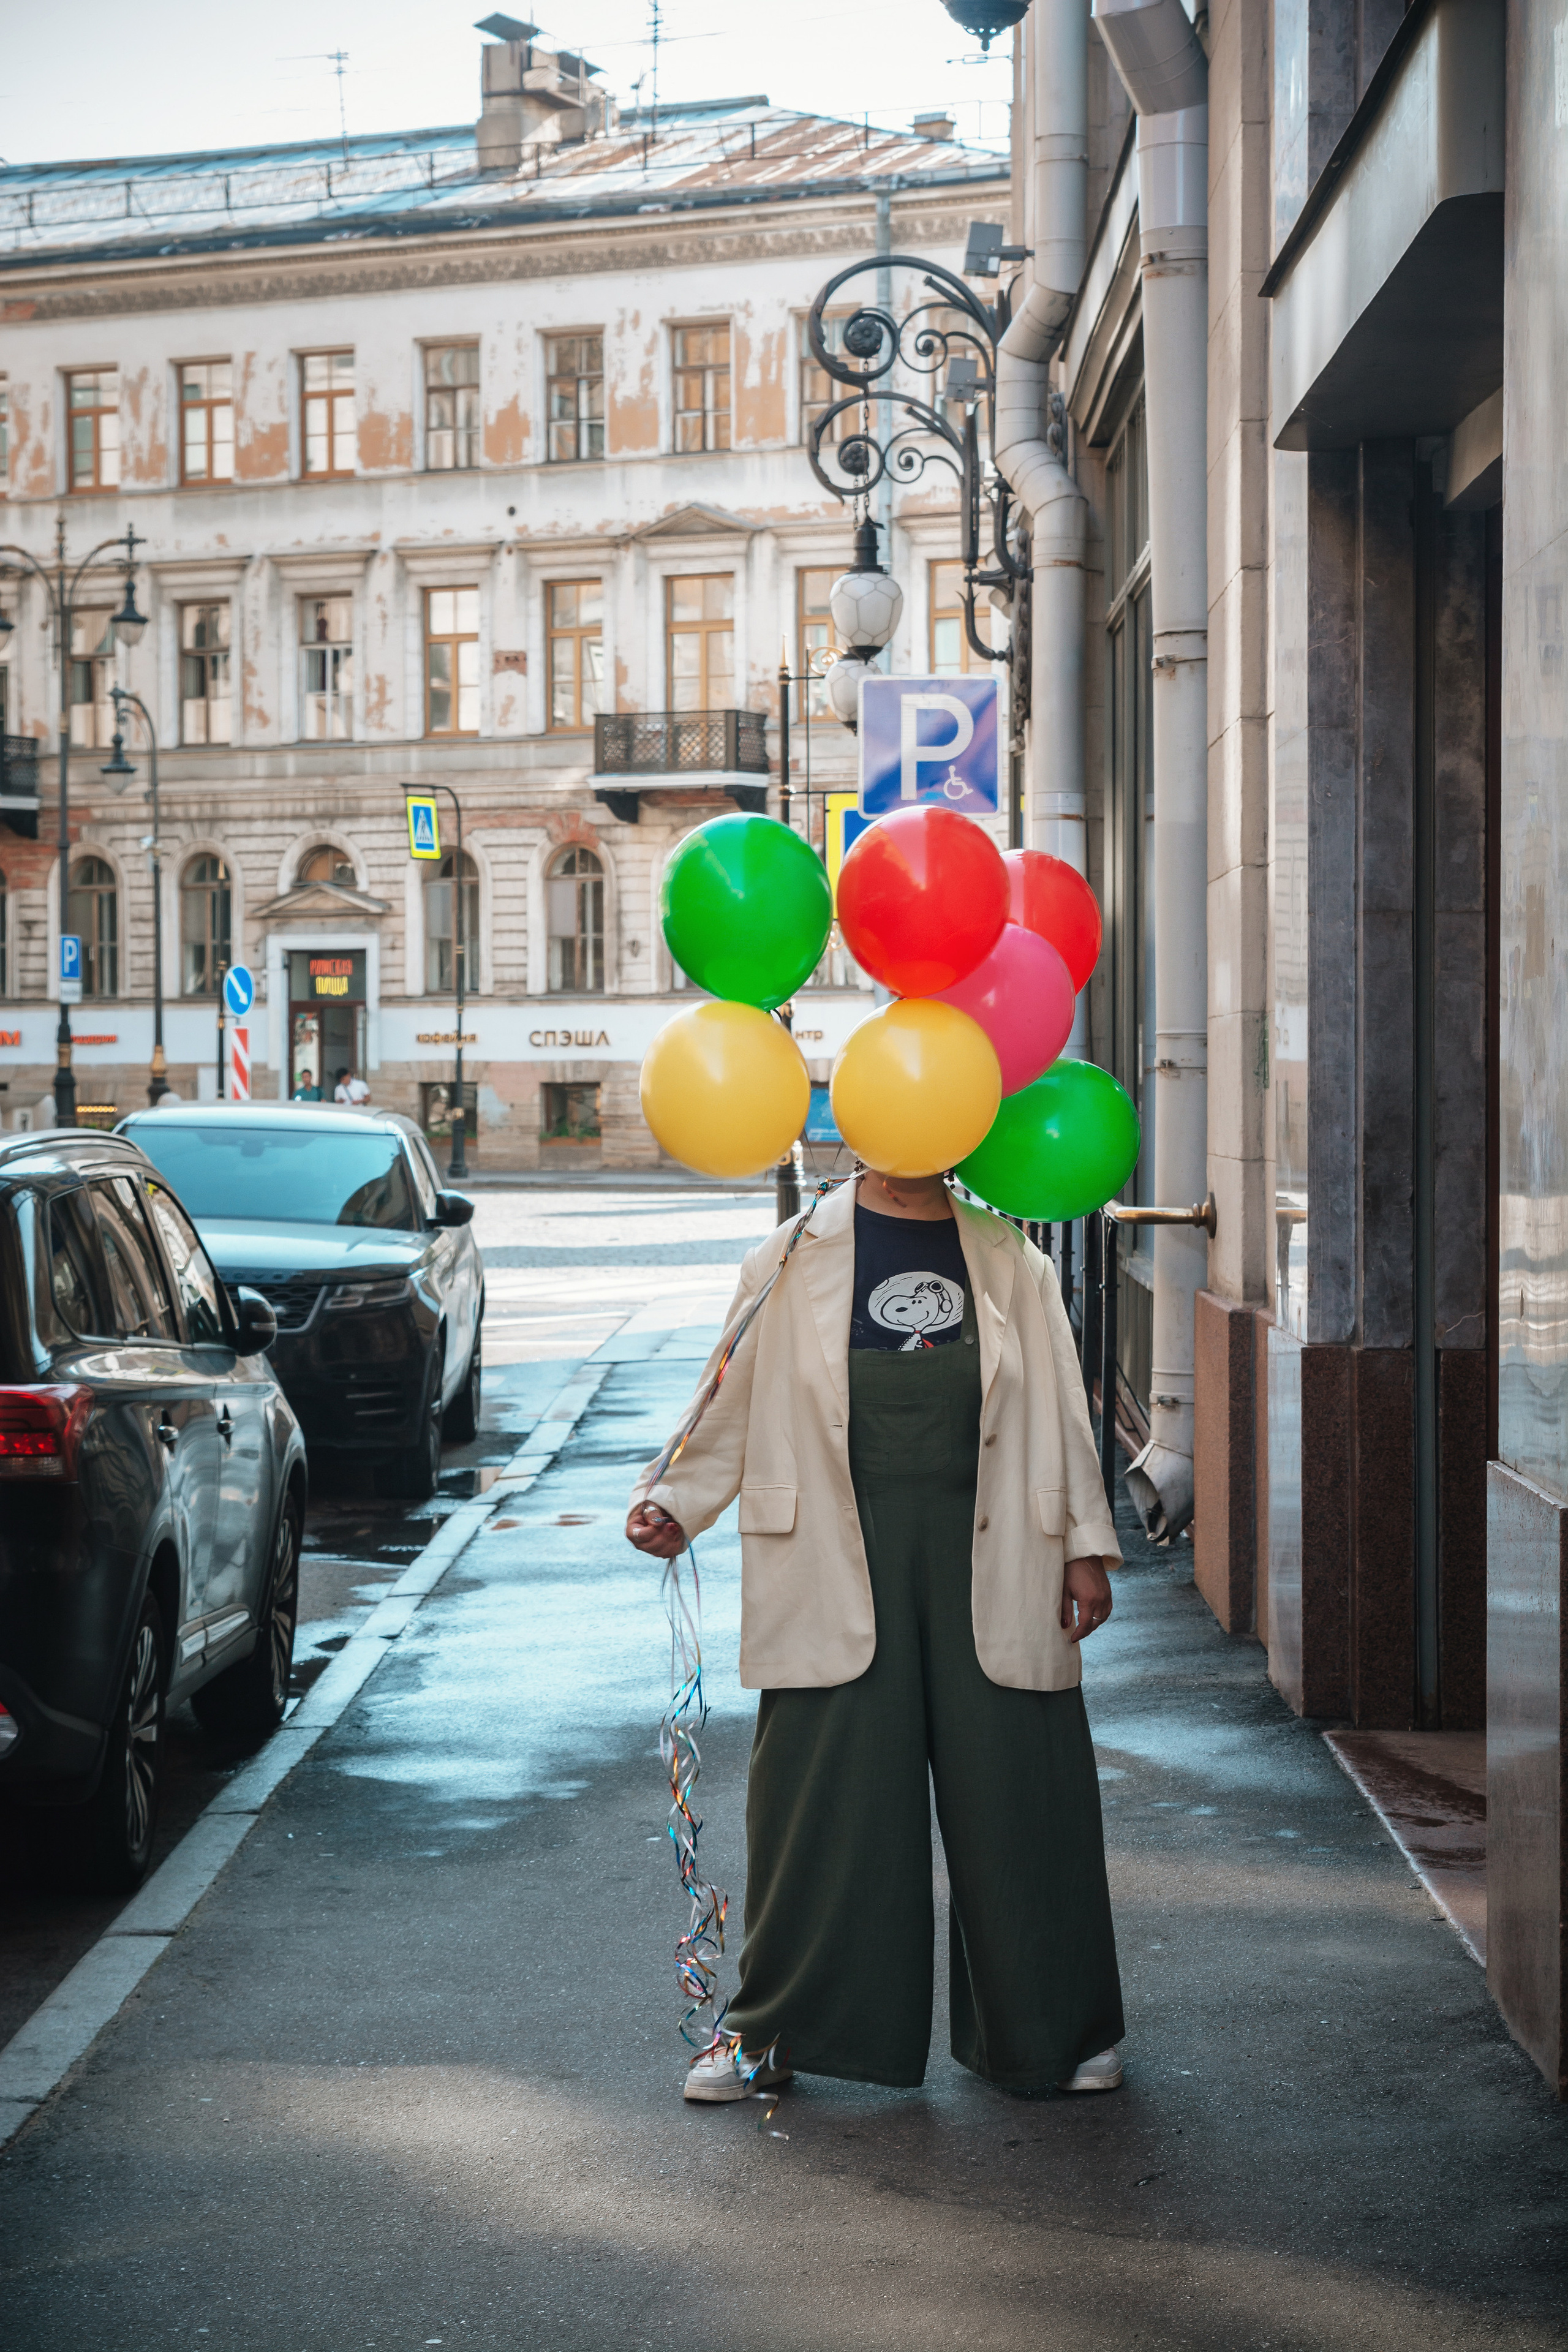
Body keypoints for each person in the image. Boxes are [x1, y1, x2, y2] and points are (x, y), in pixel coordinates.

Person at [626, 1163, 1126, 2106]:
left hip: (998, 1553)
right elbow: (727, 1402)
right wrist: (675, 1501)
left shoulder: (1009, 1255)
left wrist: (1084, 1546)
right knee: (818, 1810)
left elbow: (1061, 1406)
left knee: (1025, 1795)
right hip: (828, 1557)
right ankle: (769, 2032)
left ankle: (1059, 2030)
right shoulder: (787, 1257)